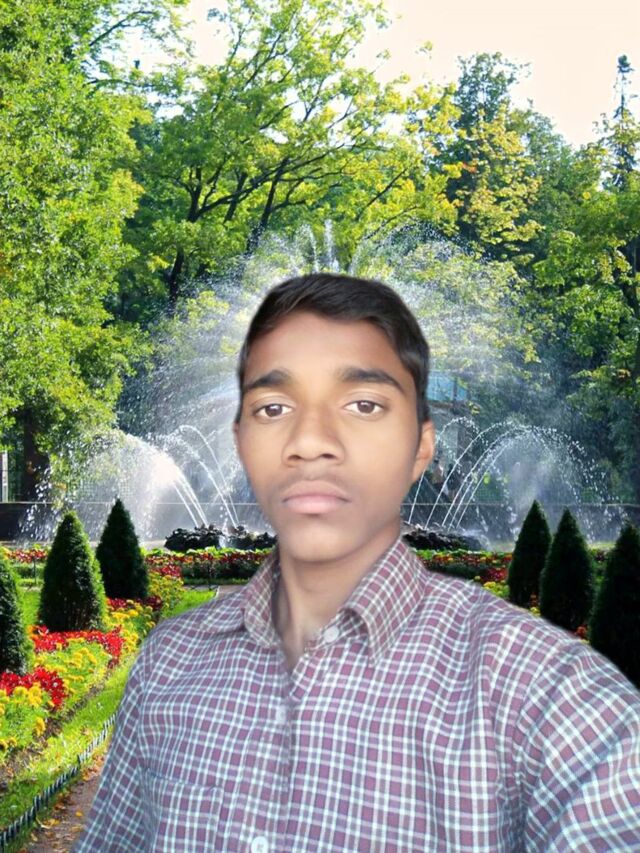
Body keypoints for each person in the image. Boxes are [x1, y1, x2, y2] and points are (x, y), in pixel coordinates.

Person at [75, 273, 640, 852]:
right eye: (275, 407)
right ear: (242, 442)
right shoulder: (167, 665)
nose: (311, 441)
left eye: (364, 405)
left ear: (421, 447)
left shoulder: (553, 696)